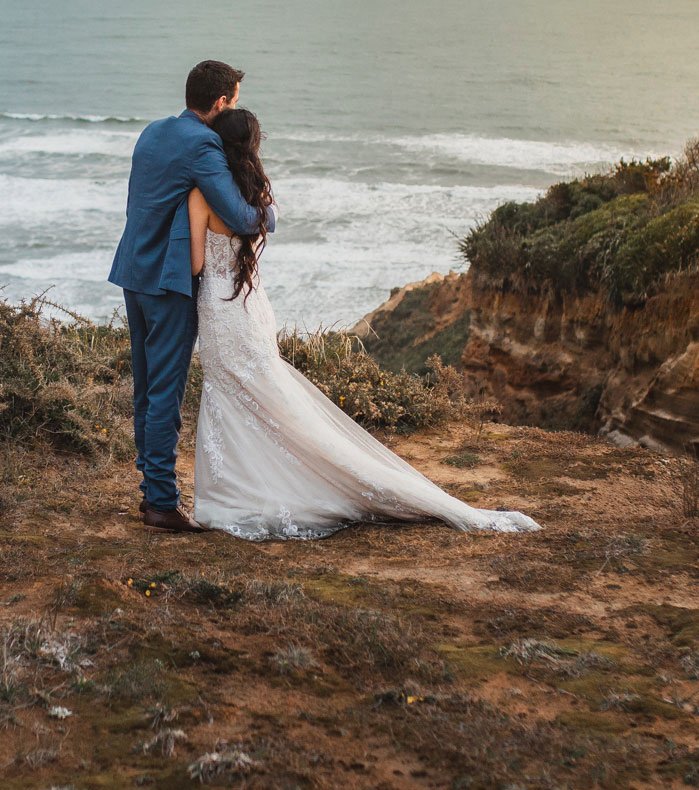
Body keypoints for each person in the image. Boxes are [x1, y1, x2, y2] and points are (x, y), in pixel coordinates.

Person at [187, 107, 539, 540]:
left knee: (229, 395)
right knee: (271, 400)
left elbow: (196, 262)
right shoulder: (257, 194)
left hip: (219, 310)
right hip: (251, 307)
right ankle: (258, 489)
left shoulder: (202, 196)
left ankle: (235, 495)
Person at [108, 60, 274, 532]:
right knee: (165, 393)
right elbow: (242, 218)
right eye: (233, 103)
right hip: (167, 282)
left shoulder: (152, 131)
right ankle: (161, 503)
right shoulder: (202, 144)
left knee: (146, 387)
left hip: (133, 272)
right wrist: (269, 210)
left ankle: (151, 494)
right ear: (220, 104)